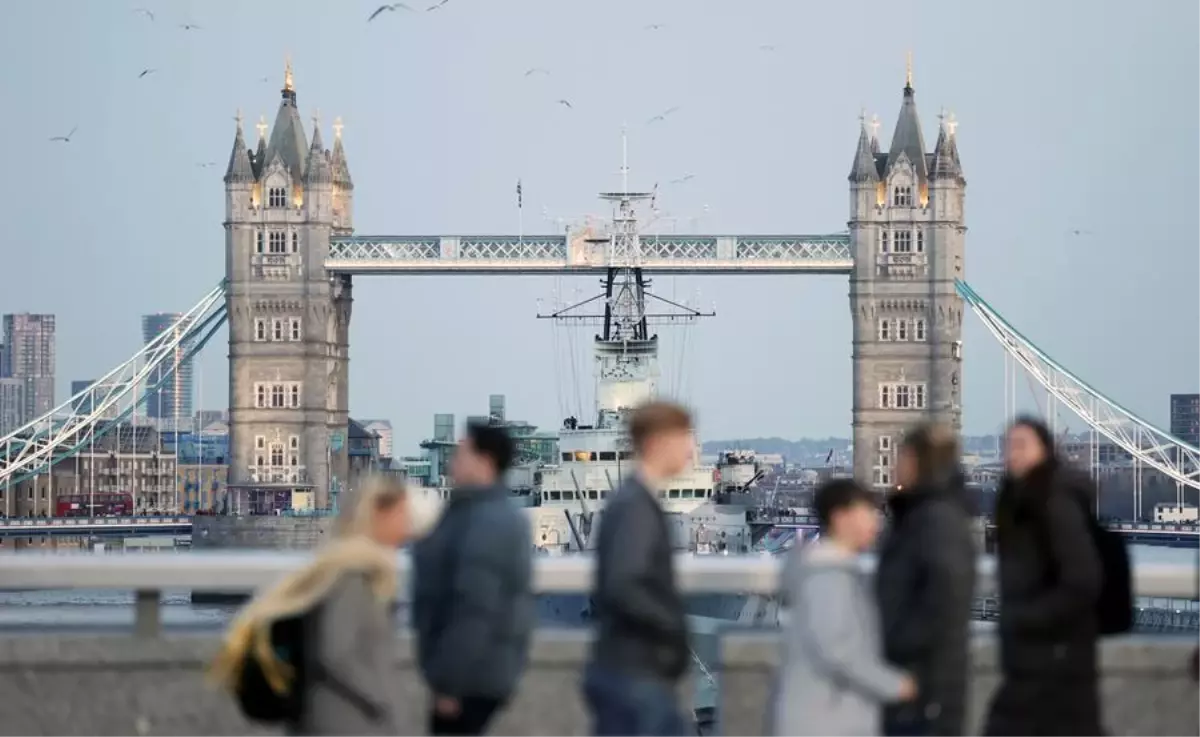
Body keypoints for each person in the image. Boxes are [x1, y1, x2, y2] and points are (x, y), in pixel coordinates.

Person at [210, 476, 431, 736]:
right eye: (402, 514)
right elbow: (334, 651)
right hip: (346, 720)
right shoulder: (354, 574)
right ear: (378, 514)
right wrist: (382, 698)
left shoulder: (339, 566)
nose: (408, 524)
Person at [983, 417, 1104, 737]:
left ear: (1045, 451)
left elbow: (1082, 580)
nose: (1012, 453)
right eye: (1008, 446)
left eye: (1022, 445)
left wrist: (1025, 618)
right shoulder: (1016, 502)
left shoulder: (1056, 503)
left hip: (1055, 657)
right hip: (1032, 659)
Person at [769, 477, 916, 737]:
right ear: (840, 517)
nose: (876, 522)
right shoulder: (827, 576)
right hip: (826, 722)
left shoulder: (825, 570)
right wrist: (897, 685)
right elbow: (837, 650)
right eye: (867, 513)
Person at [412, 421, 534, 736]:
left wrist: (450, 685)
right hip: (473, 675)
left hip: (468, 681)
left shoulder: (487, 521)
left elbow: (473, 608)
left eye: (461, 454)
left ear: (485, 461)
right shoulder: (473, 511)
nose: (453, 461)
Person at [583, 401, 694, 737]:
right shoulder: (636, 506)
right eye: (684, 438)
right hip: (635, 674)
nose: (690, 450)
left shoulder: (631, 499)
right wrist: (673, 626)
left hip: (630, 672)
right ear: (657, 442)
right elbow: (624, 584)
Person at [875, 424, 977, 737]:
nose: (894, 467)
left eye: (902, 458)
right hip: (916, 685)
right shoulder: (921, 515)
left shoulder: (935, 520)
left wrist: (893, 642)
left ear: (921, 463)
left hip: (921, 688)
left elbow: (944, 606)